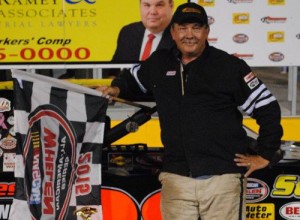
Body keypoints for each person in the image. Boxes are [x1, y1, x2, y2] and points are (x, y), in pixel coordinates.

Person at [97, 2, 283, 220]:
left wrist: (265, 155)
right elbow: (132, 78)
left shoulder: (230, 67)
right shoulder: (158, 62)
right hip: (176, 179)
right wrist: (116, 87)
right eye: (183, 28)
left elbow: (267, 107)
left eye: (196, 27)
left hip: (222, 179)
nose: (189, 35)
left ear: (207, 31)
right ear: (173, 32)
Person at [103, 0, 175, 78]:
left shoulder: (181, 37)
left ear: (171, 6)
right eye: (147, 5)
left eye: (159, 5)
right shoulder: (128, 32)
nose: (153, 12)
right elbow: (113, 71)